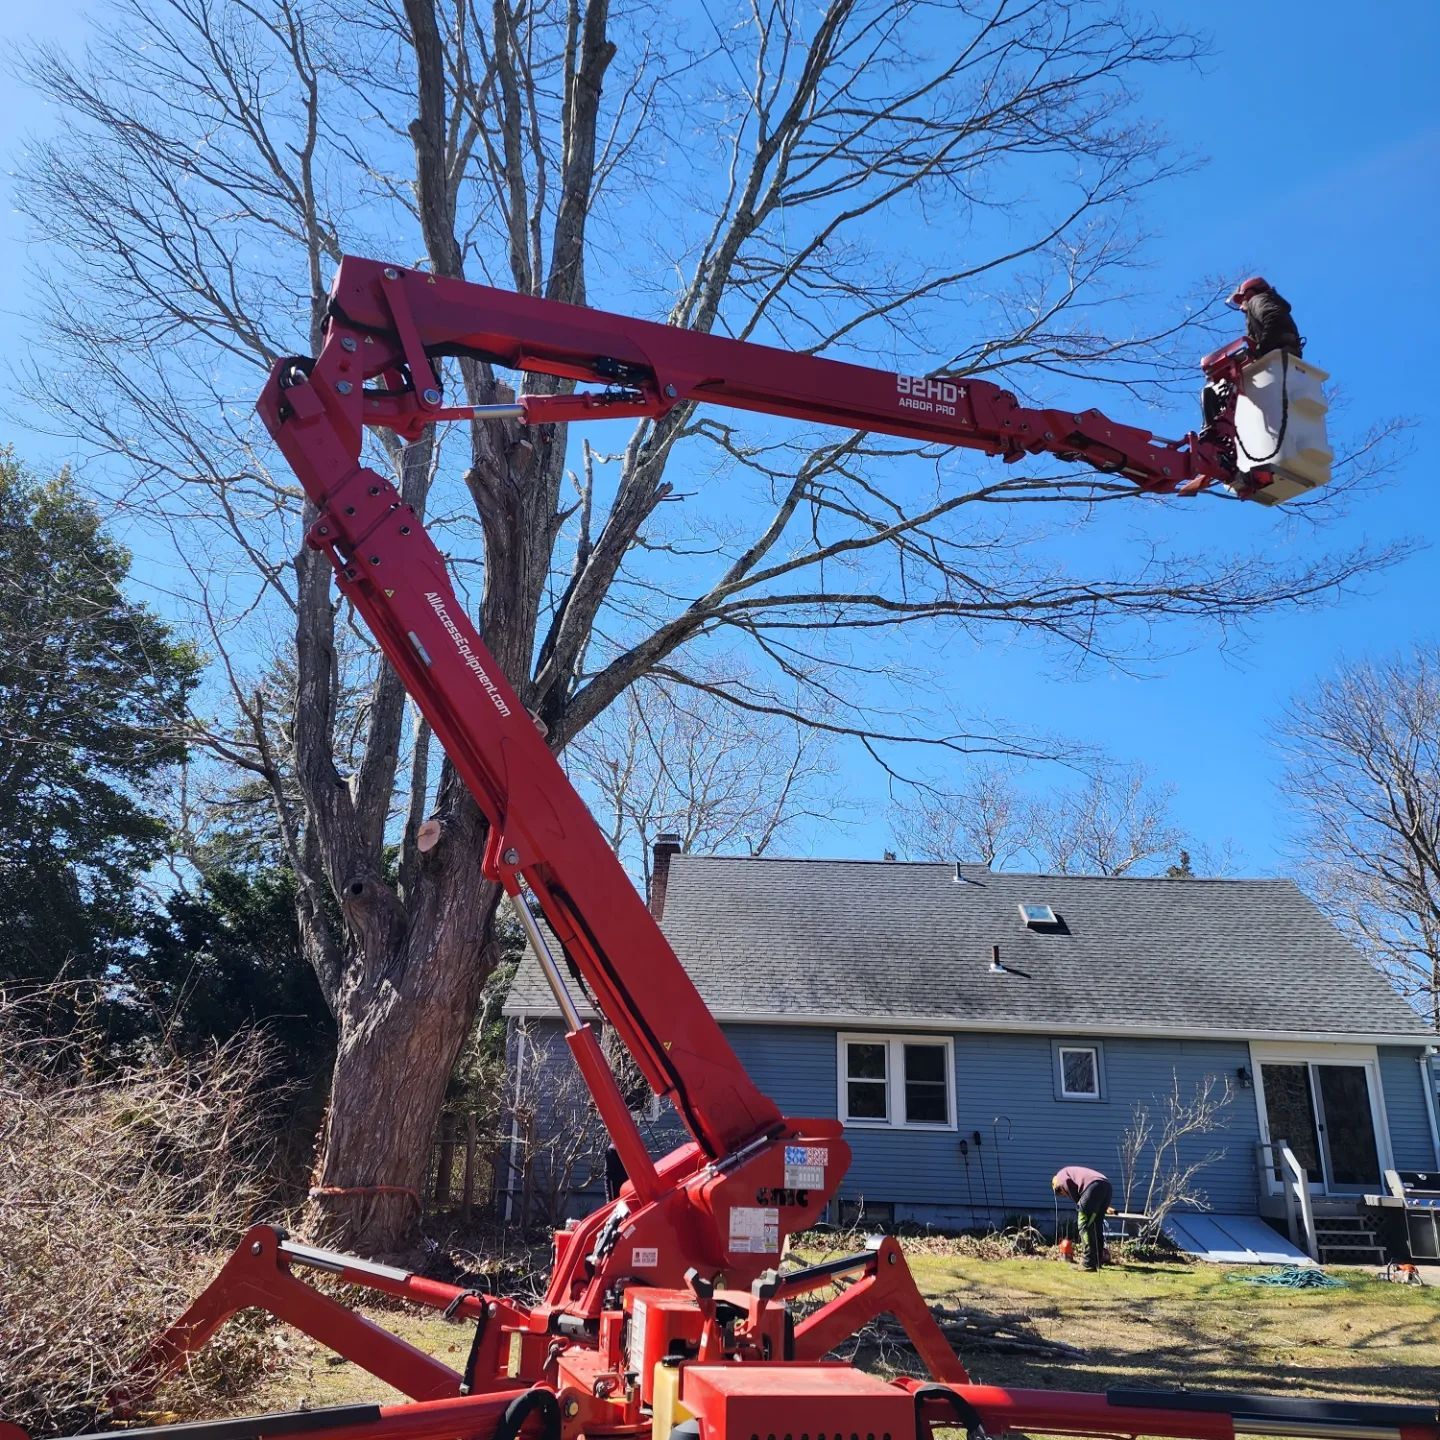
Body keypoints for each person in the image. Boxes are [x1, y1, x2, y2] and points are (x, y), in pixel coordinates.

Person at [1200, 276, 1305, 435]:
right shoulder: (1262, 305)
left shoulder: (1259, 300)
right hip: (1280, 357)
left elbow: (1273, 319)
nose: (1241, 305)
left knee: (1215, 390)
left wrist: (1262, 347)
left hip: (1276, 354)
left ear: (1248, 293)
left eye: (1241, 299)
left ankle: (1216, 427)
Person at [1052, 1164, 1113, 1271]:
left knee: (1084, 1224)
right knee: (1096, 1225)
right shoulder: (1070, 1173)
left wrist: (1080, 1205)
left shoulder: (1060, 1177)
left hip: (1093, 1186)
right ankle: (1097, 1260)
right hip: (1106, 1185)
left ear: (1057, 1187)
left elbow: (1077, 1198)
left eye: (1062, 1194)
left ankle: (1088, 1263)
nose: (1065, 1195)